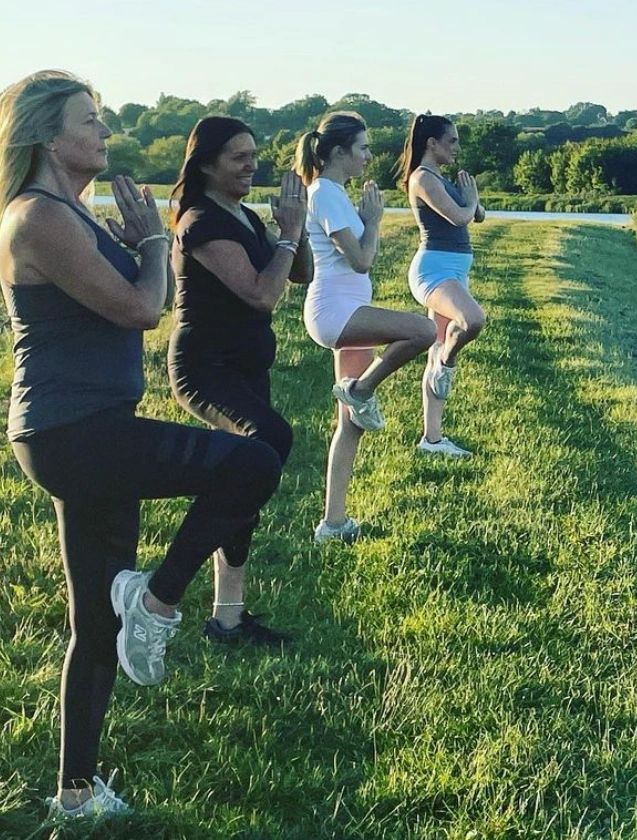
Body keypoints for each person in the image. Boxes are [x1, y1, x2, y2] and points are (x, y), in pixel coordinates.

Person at [0, 71, 282, 820]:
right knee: (254, 461)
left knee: (95, 622)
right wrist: (154, 243)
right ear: (45, 135)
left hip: (86, 430)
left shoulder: (69, 211)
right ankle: (156, 603)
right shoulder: (36, 216)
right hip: (75, 432)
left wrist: (140, 242)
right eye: (89, 121)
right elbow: (141, 309)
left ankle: (75, 792)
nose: (105, 132)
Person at [168, 116, 311, 642]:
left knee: (245, 480)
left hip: (248, 368)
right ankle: (163, 588)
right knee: (267, 446)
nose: (253, 165)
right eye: (239, 157)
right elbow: (260, 294)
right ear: (206, 164)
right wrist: (288, 237)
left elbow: (302, 275)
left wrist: (298, 228)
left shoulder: (245, 215)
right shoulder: (202, 221)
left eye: (254, 155)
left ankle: (228, 618)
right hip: (206, 369)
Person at [295, 112, 434, 542]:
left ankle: (332, 523)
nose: (369, 157)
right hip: (335, 312)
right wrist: (372, 220)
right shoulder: (326, 193)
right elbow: (362, 259)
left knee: (350, 424)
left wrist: (365, 218)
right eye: (363, 148)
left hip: (345, 308)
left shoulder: (331, 193)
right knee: (423, 332)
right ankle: (362, 389)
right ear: (338, 152)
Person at [398, 114, 486, 458]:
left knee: (434, 349)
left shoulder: (442, 179)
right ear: (431, 143)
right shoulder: (422, 178)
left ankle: (431, 440)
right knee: (472, 320)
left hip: (453, 270)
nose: (457, 147)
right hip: (433, 271)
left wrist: (470, 200)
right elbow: (461, 216)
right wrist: (471, 198)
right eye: (451, 141)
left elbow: (478, 215)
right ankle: (447, 364)